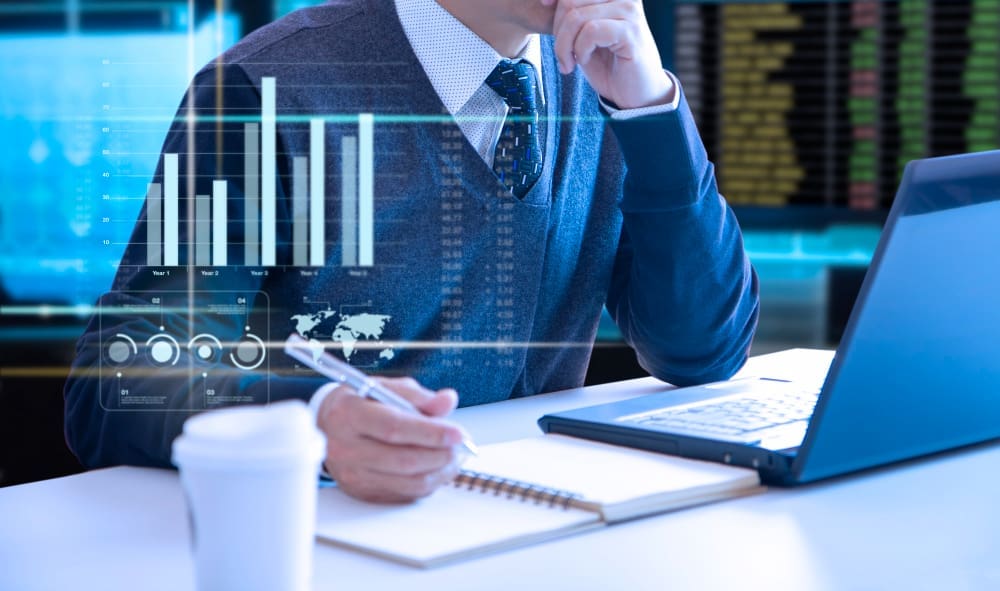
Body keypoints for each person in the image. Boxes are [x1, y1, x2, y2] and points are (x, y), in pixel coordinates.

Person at [65, 0, 759, 503]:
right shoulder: (264, 94)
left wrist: (649, 109)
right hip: (330, 541)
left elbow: (702, 347)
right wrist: (314, 424)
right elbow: (114, 386)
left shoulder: (603, 75)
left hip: (538, 530)